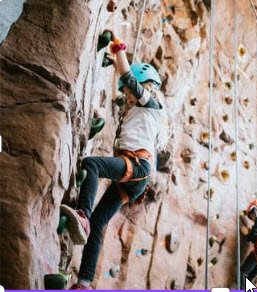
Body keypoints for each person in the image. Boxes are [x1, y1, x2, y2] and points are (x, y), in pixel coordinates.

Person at [60, 30, 170, 290]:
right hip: (135, 177)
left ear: (147, 86)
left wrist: (119, 48)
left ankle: (82, 215)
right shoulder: (138, 113)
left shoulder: (150, 104)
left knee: (92, 164)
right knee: (101, 222)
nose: (128, 97)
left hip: (138, 167)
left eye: (130, 94)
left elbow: (129, 78)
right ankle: (85, 281)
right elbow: (125, 85)